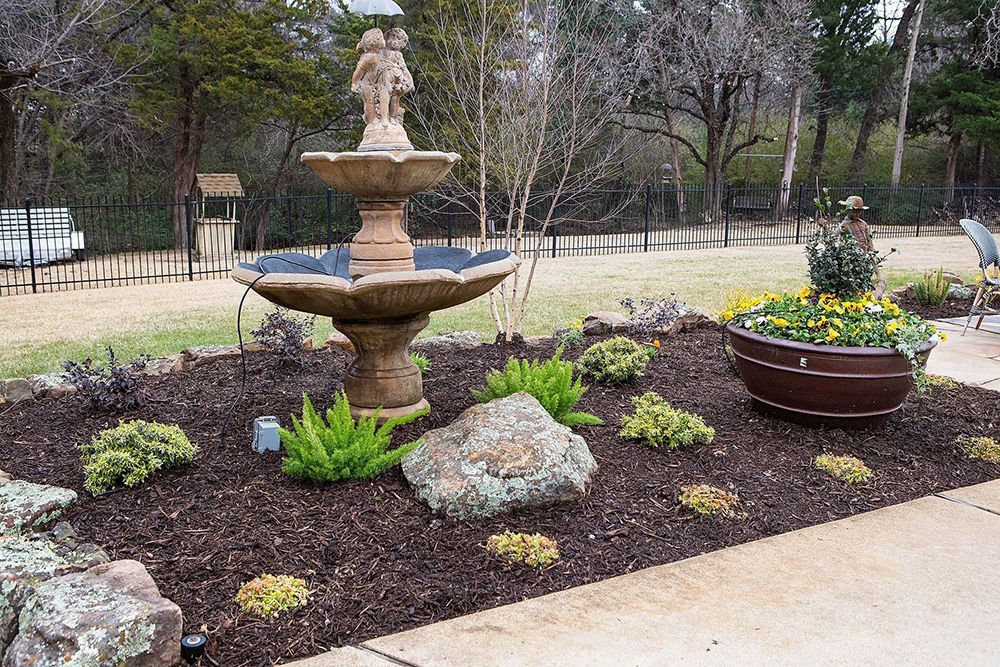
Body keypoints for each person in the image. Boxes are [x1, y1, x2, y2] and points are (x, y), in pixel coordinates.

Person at [351, 28, 390, 129]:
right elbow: (358, 72)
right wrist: (354, 83)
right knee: (370, 100)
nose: (383, 40)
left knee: (384, 95)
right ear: (375, 41)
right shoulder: (369, 57)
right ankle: (372, 120)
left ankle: (385, 118)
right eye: (381, 38)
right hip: (367, 83)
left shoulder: (380, 54)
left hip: (379, 81)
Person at [384, 27, 414, 125]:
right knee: (384, 97)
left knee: (395, 97)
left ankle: (393, 116)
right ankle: (384, 117)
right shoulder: (382, 51)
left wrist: (411, 81)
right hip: (384, 78)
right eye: (393, 37)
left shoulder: (398, 55)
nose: (394, 41)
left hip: (396, 80)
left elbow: (404, 69)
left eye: (398, 39)